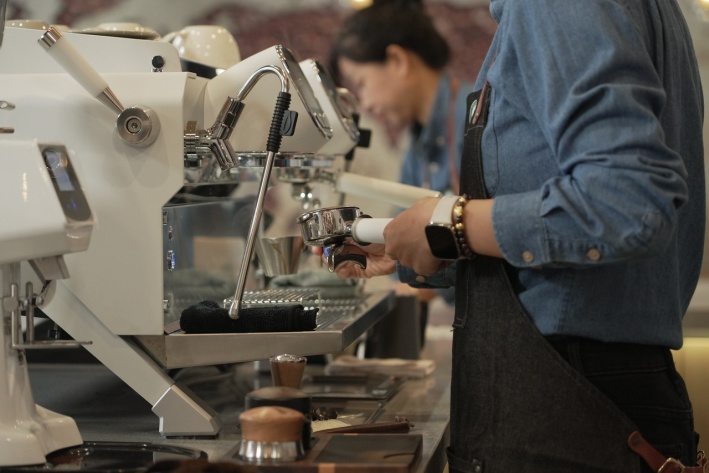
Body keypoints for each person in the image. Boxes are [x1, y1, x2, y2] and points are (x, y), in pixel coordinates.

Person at [318, 0, 706, 471]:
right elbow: (574, 233)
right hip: (588, 385)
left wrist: (450, 223)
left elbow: (625, 205)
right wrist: (419, 243)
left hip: (568, 398)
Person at [328, 0, 475, 344]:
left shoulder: (475, 120)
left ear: (397, 60)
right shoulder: (416, 147)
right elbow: (402, 234)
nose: (365, 103)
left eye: (362, 83)